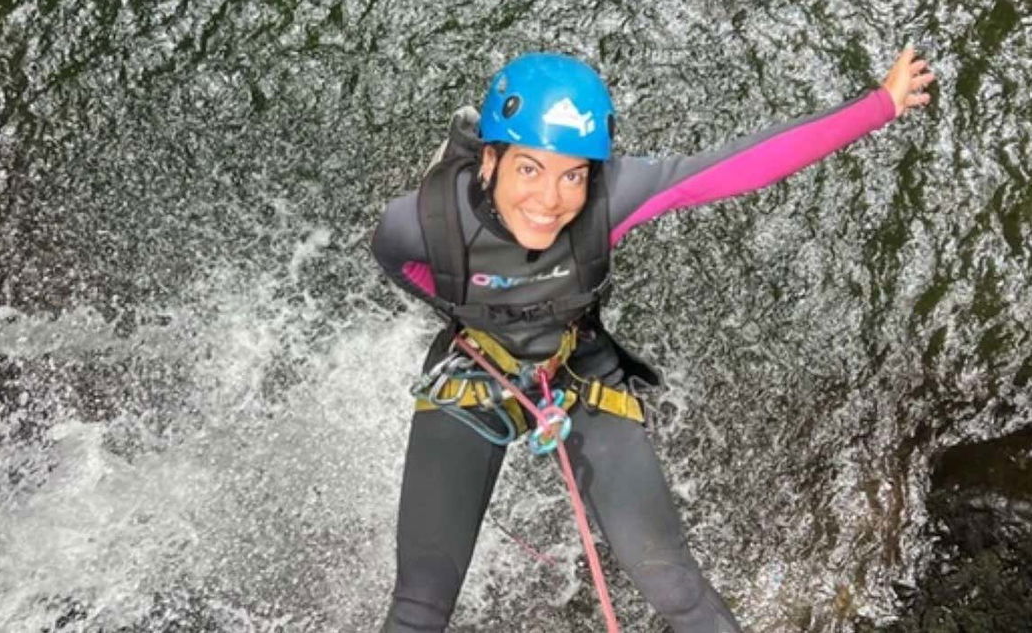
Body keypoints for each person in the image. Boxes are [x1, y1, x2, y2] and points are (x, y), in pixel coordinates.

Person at [371, 48, 934, 632]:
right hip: (474, 373)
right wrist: (474, 313)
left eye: (573, 175)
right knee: (420, 606)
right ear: (491, 160)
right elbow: (399, 263)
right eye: (530, 168)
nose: (550, 200)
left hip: (576, 370)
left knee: (677, 590)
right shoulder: (421, 222)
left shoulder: (608, 199)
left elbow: (735, 167)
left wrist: (880, 106)